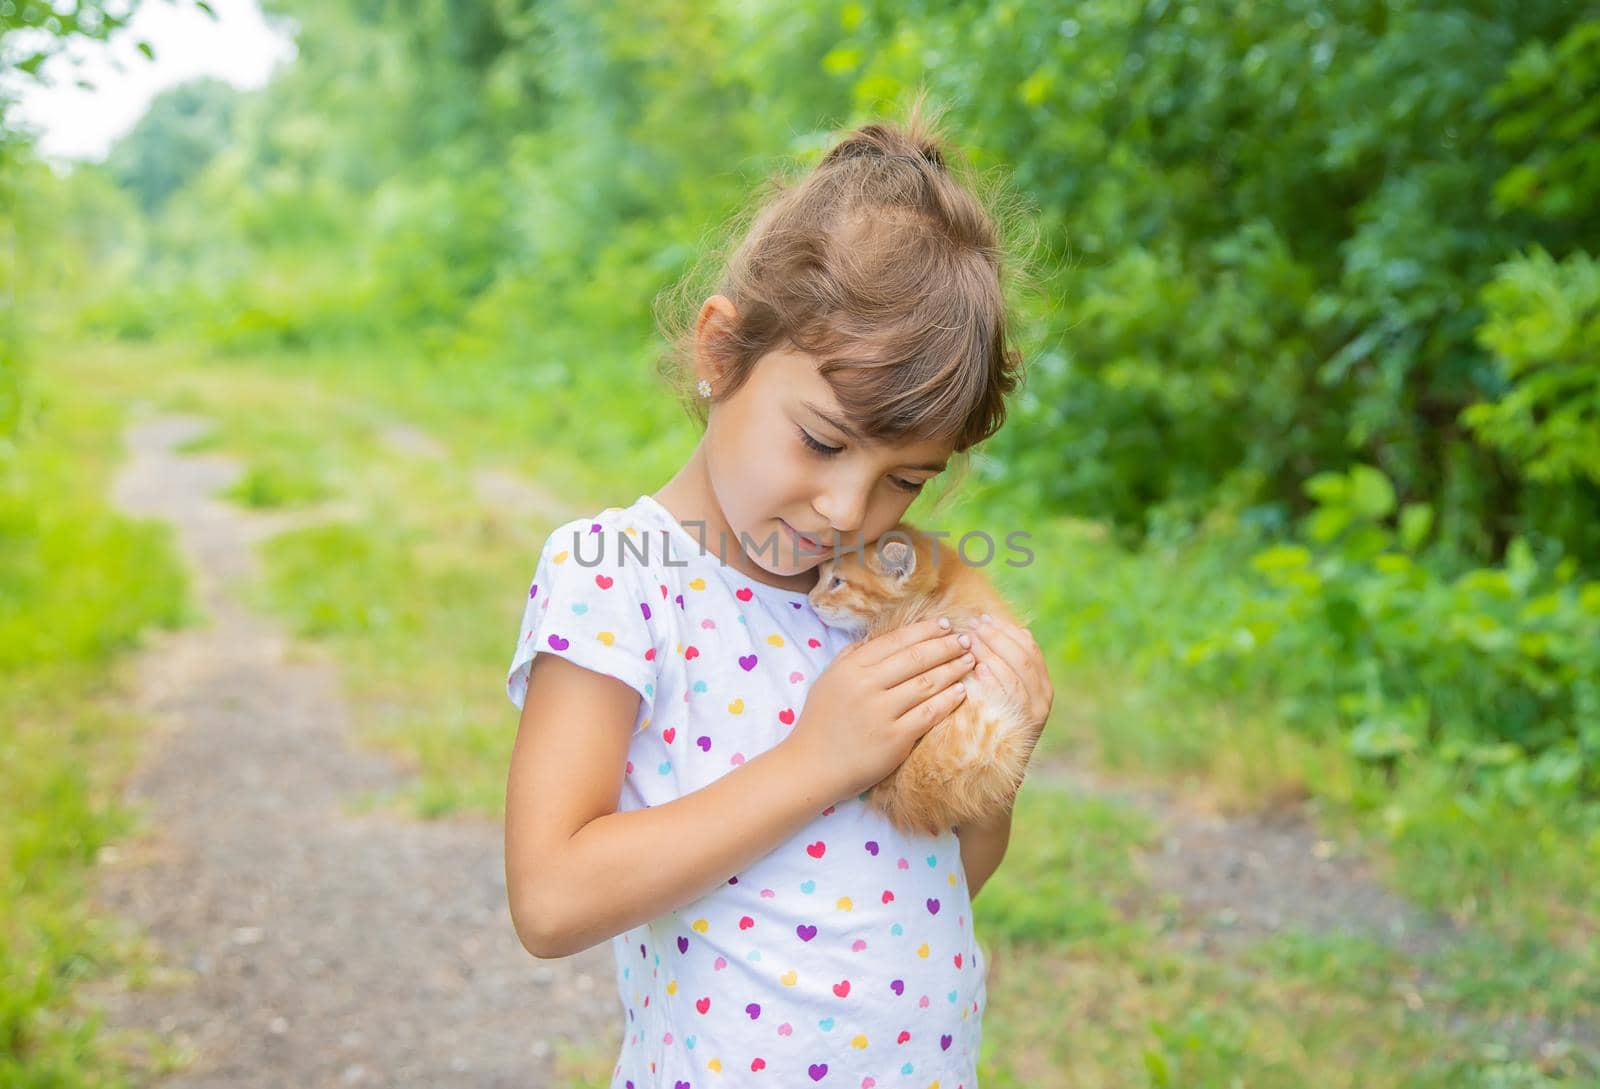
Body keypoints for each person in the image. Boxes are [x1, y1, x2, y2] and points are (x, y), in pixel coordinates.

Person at [503, 92, 1054, 1089]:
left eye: (907, 479)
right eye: (822, 440)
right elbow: (550, 899)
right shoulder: (617, 577)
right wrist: (821, 758)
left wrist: (992, 768)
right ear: (723, 353)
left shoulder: (879, 596)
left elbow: (931, 889)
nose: (850, 508)